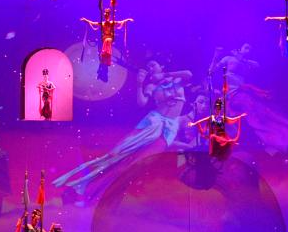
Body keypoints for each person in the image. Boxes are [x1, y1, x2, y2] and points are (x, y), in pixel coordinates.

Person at [54, 61, 192, 194]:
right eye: (148, 67)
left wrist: (165, 75)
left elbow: (189, 74)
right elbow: (142, 102)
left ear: (161, 66)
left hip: (169, 128)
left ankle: (108, 192)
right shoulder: (151, 87)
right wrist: (139, 84)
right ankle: (89, 188)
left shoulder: (177, 80)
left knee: (138, 164)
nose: (150, 68)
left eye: (153, 65)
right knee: (117, 154)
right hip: (153, 122)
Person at [80, 0, 133, 81]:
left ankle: (104, 68)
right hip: (103, 40)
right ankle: (102, 71)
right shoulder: (103, 23)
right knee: (102, 55)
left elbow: (121, 22)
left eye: (107, 15)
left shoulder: (112, 22)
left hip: (108, 39)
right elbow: (93, 23)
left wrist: (127, 20)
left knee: (106, 50)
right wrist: (86, 20)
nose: (106, 16)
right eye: (106, 15)